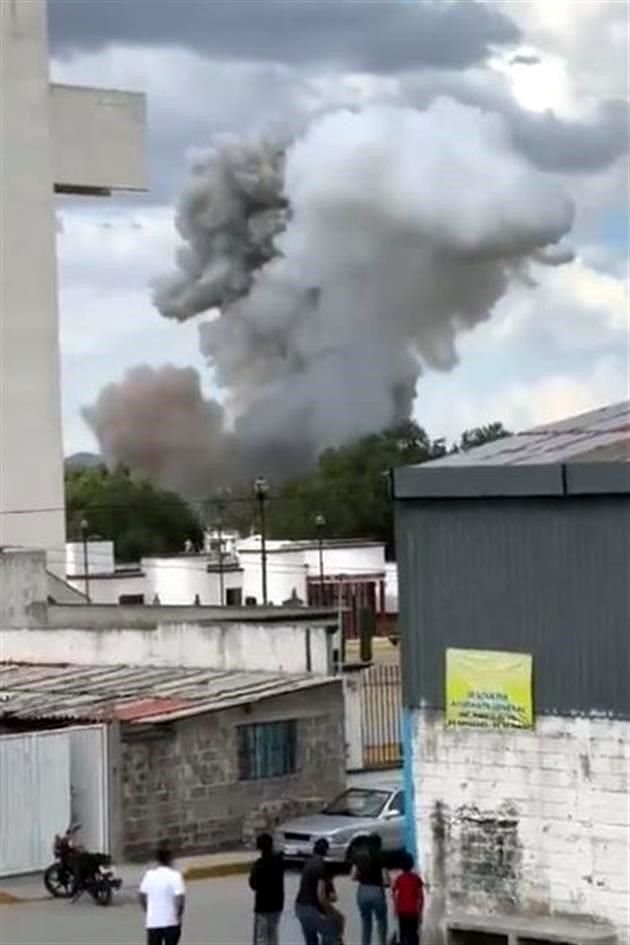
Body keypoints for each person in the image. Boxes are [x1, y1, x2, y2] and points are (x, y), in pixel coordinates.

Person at [295, 838, 340, 945]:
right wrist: (331, 912)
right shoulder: (321, 866)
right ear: (326, 851)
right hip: (312, 909)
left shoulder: (308, 863)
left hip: (300, 907)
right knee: (332, 933)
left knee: (310, 940)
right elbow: (321, 896)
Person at [139, 844, 186, 945]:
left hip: (153, 923)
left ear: (158, 860)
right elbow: (180, 900)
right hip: (171, 921)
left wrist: (148, 910)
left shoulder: (149, 875)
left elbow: (142, 896)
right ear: (170, 859)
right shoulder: (175, 876)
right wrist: (178, 915)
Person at [351, 834, 389, 945]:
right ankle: (382, 942)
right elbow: (386, 879)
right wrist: (387, 884)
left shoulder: (359, 856)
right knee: (381, 920)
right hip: (377, 891)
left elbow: (353, 876)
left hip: (362, 891)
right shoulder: (381, 856)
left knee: (366, 921)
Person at [249, 832, 285, 945]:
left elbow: (253, 885)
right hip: (277, 905)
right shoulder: (279, 862)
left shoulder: (259, 865)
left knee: (261, 937)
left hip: (263, 906)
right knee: (273, 934)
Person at [392, 852, 424, 945]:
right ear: (412, 864)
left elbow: (394, 894)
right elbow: (421, 897)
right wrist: (420, 912)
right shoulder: (416, 879)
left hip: (402, 911)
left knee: (403, 932)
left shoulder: (399, 879)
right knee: (413, 933)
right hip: (413, 911)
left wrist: (395, 909)